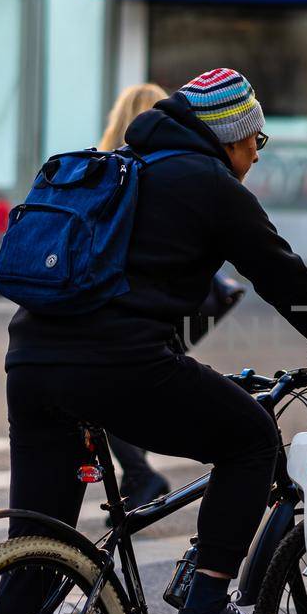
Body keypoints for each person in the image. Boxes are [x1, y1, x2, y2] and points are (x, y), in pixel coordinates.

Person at [0, 68, 307, 614]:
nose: (259, 152)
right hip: (117, 365)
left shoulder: (124, 167)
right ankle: (207, 601)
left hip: (31, 363)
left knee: (39, 544)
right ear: (231, 134)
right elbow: (287, 282)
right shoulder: (211, 185)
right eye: (257, 138)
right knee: (250, 438)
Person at [97, 82, 176, 506]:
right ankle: (137, 478)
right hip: (157, 306)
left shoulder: (103, 166)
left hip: (108, 301)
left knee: (109, 398)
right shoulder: (163, 169)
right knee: (130, 393)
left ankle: (137, 477)